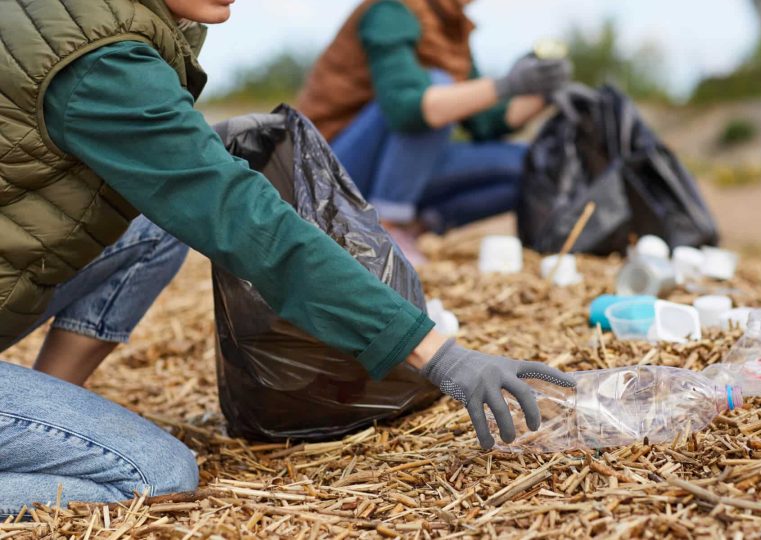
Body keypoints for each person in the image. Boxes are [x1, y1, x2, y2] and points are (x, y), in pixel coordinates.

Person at [0, 0, 574, 517]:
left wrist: (529, 92)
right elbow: (244, 220)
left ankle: (52, 405)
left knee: (155, 221)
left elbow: (482, 125)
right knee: (157, 476)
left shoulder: (90, 17)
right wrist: (438, 355)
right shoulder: (100, 59)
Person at [297, 0, 572, 264]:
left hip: (398, 167)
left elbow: (485, 121)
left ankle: (415, 225)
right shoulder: (390, 11)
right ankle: (387, 227)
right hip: (328, 169)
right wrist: (507, 85)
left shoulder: (452, 26)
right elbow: (407, 109)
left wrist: (541, 92)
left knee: (528, 163)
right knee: (438, 86)